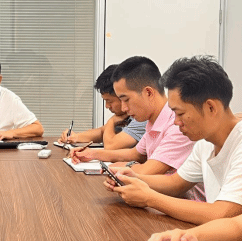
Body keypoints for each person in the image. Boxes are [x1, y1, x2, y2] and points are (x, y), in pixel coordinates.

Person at [105, 56, 242, 228]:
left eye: (180, 113)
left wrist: (150, 198)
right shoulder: (205, 144)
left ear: (210, 107)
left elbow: (221, 213)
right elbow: (176, 183)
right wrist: (135, 178)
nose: (176, 122)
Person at [70, 56, 203, 200]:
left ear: (148, 93)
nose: (123, 108)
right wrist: (93, 154)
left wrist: (126, 167)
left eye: (126, 100)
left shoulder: (178, 125)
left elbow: (147, 172)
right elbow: (136, 154)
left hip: (187, 205)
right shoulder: (152, 121)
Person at [59, 64, 147, 149]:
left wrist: (112, 121)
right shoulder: (126, 116)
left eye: (109, 101)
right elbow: (102, 132)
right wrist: (75, 137)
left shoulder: (141, 117)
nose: (107, 106)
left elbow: (110, 145)